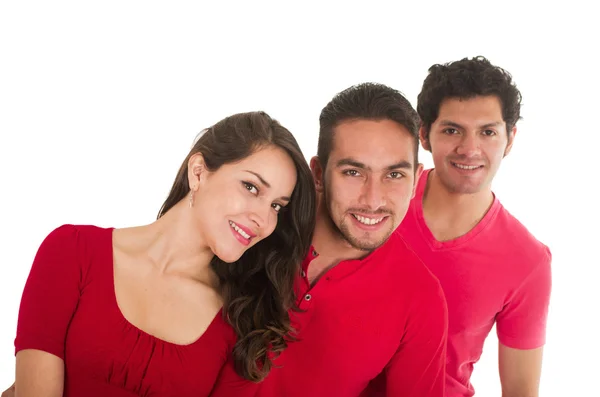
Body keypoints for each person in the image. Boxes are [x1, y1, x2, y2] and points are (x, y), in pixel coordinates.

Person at [9, 111, 317, 397]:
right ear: (198, 172)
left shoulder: (244, 320)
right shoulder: (72, 251)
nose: (264, 221)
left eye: (277, 206)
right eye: (251, 187)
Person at [209, 83, 449, 397]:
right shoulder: (256, 225)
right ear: (319, 174)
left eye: (394, 175)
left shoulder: (421, 299)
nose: (373, 199)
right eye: (353, 172)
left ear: (416, 179)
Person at [368, 56, 553, 397]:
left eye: (488, 132)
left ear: (509, 139)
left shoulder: (528, 260)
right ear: (424, 134)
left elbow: (520, 391)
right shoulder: (374, 205)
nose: (470, 149)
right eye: (452, 130)